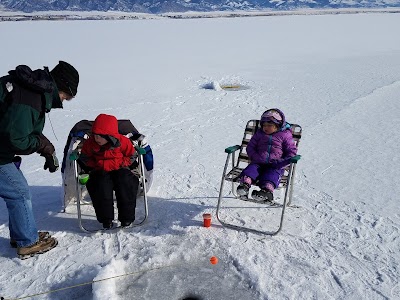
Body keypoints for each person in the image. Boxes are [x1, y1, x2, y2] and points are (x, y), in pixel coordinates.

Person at [0, 61, 79, 259]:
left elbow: (19, 128)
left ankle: (22, 235)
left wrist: (45, 147)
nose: (64, 101)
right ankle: (27, 243)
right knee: (19, 192)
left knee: (17, 190)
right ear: (60, 87)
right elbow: (17, 139)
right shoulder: (29, 98)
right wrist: (40, 145)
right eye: (66, 96)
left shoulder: (32, 90)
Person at [79, 113, 139, 229]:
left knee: (125, 181)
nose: (96, 139)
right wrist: (95, 165)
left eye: (100, 136)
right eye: (95, 135)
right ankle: (106, 219)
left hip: (120, 168)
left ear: (110, 136)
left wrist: (122, 163)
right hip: (100, 170)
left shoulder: (123, 142)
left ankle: (126, 218)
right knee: (100, 184)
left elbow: (131, 156)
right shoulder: (90, 143)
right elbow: (85, 158)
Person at [237, 108, 297, 202]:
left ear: (277, 125)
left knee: (271, 175)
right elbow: (250, 147)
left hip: (275, 165)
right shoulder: (259, 134)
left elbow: (291, 153)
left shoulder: (285, 135)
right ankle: (244, 185)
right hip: (258, 162)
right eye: (264, 125)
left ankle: (266, 192)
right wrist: (255, 157)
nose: (266, 127)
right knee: (251, 169)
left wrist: (280, 163)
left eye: (269, 125)